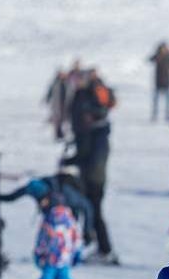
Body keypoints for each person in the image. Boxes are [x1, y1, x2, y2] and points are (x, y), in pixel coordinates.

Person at [62, 71, 119, 264]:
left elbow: (87, 155)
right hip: (95, 175)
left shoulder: (93, 132)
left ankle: (104, 249)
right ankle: (101, 247)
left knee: (92, 211)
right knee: (92, 212)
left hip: (93, 177)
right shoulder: (100, 131)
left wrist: (71, 161)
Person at [28, 188, 81, 279]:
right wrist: (77, 252)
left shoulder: (48, 220)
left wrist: (38, 253)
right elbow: (76, 238)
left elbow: (42, 239)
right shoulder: (70, 219)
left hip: (50, 258)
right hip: (64, 258)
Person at [148, 42, 169, 122]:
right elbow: (151, 59)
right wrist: (158, 54)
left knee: (168, 101)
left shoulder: (168, 57)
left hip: (166, 82)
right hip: (158, 82)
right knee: (156, 101)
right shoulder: (158, 56)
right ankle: (155, 115)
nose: (163, 50)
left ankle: (167, 115)